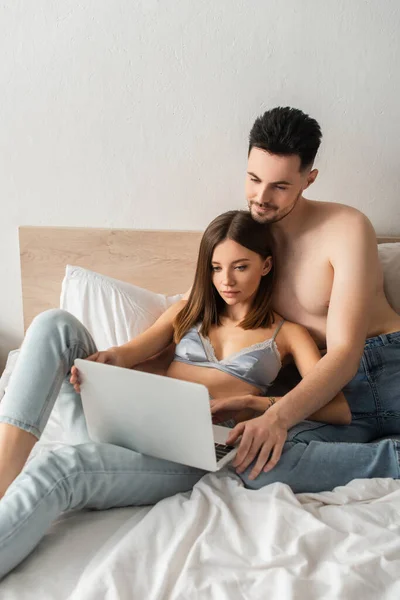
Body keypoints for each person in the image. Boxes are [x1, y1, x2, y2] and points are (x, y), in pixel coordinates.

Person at [0, 210, 349, 577]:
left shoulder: (289, 335)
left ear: (266, 265)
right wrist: (108, 361)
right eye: (216, 268)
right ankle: (4, 475)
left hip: (189, 452)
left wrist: (254, 404)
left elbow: (338, 408)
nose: (225, 280)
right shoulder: (188, 310)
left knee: (62, 468)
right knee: (55, 323)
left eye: (240, 267)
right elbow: (128, 352)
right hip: (129, 421)